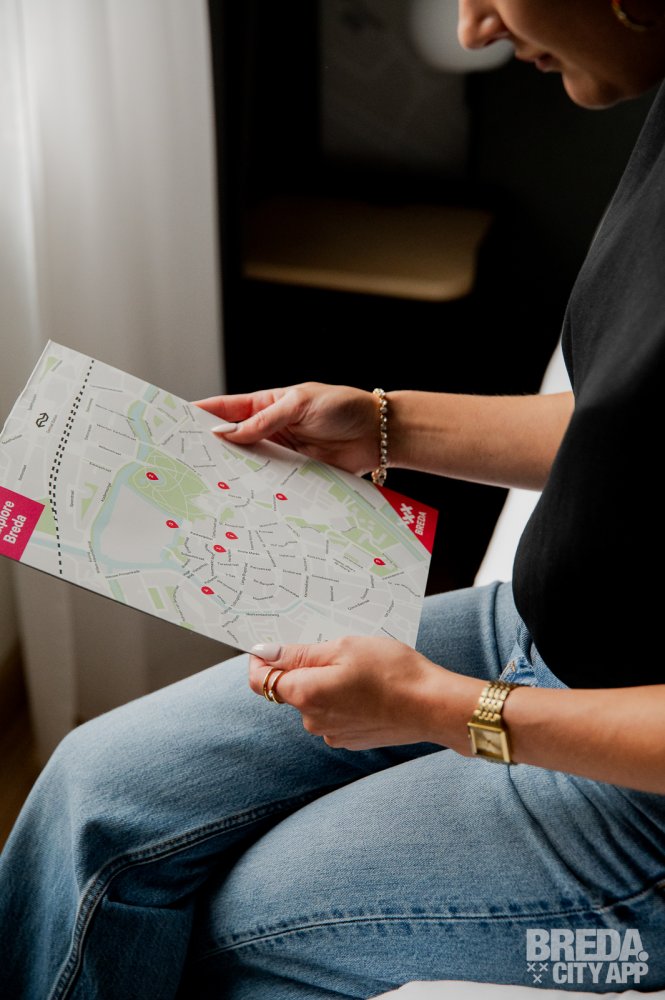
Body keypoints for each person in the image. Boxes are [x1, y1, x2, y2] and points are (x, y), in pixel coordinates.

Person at [2, 1, 665, 997]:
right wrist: (384, 425)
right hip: (538, 629)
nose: (471, 27)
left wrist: (443, 708)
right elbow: (635, 431)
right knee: (90, 793)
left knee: (220, 938)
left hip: (639, 812)